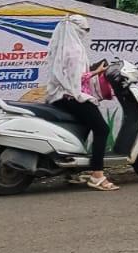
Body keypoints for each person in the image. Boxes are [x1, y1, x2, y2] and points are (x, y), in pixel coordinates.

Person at [45, 14, 117, 191]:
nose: (86, 33)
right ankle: (97, 175)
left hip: (60, 98)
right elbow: (77, 80)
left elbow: (64, 76)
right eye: (85, 30)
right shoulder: (75, 51)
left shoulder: (60, 48)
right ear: (77, 30)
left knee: (83, 127)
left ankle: (73, 170)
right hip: (74, 97)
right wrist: (97, 71)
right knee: (102, 129)